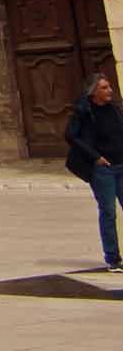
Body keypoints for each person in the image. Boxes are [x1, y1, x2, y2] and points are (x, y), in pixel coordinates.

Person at [64, 73, 123, 271]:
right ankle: (113, 258)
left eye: (109, 87)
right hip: (103, 170)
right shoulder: (84, 112)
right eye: (105, 88)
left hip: (121, 165)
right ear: (94, 92)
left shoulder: (114, 109)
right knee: (108, 212)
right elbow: (71, 136)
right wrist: (95, 157)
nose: (110, 91)